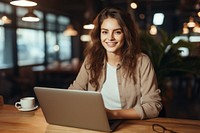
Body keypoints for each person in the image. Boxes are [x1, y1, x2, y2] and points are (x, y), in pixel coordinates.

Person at [68, 7, 162, 120]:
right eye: (105, 32)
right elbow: (74, 92)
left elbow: (153, 106)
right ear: (99, 34)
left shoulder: (142, 61)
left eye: (117, 32)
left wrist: (113, 114)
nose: (110, 38)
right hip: (95, 121)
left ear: (126, 34)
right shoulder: (91, 59)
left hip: (130, 125)